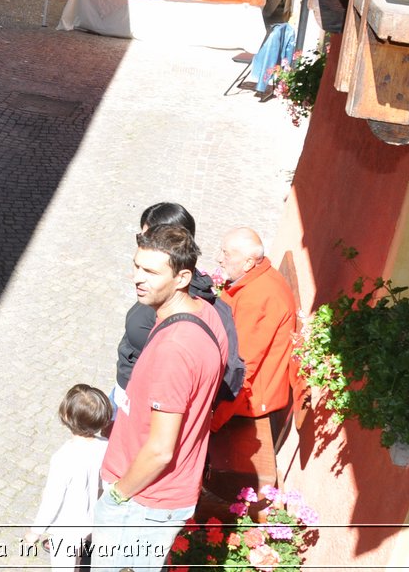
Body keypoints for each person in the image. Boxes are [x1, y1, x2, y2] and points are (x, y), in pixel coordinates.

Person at [96, 225, 229, 572]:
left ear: (182, 276)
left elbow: (160, 450)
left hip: (142, 500)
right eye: (137, 266)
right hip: (160, 496)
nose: (137, 278)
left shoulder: (175, 349)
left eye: (151, 272)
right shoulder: (206, 313)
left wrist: (116, 496)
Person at [112, 202, 241, 417]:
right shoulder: (164, 291)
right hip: (126, 387)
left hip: (136, 403)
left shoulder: (181, 315)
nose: (141, 247)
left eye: (148, 240)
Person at [210, 227, 300, 449]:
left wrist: (212, 422)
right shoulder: (255, 278)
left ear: (249, 263)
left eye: (226, 254)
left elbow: (242, 368)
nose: (219, 259)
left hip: (253, 400)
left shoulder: (259, 299)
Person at [30, 383, 111, 571]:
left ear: (65, 416)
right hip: (91, 521)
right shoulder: (105, 446)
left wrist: (35, 531)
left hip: (66, 529)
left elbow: (52, 499)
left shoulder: (63, 458)